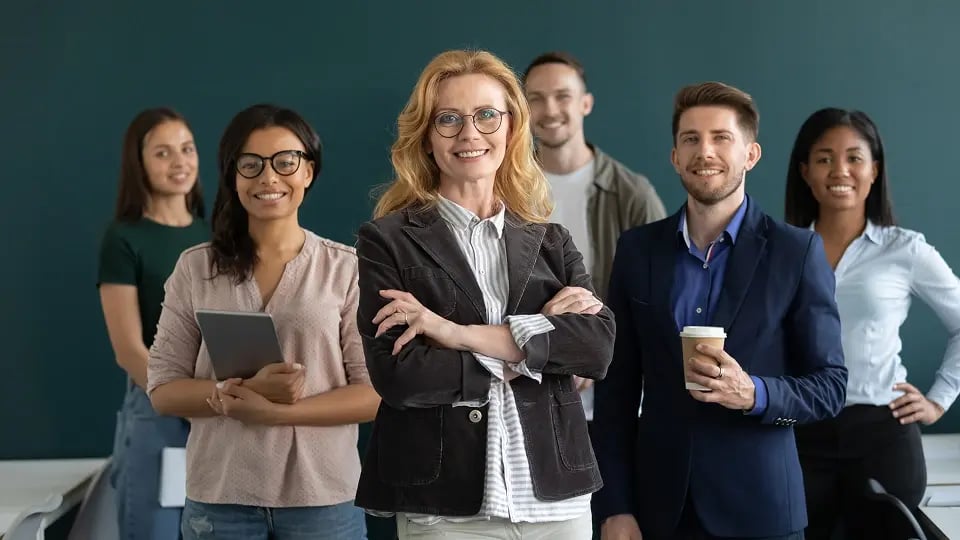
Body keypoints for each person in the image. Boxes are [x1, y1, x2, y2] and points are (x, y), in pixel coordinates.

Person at [353, 49, 616, 540]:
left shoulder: (551, 239)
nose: (469, 134)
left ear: (512, 128)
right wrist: (536, 348)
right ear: (426, 137)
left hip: (555, 501)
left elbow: (596, 348)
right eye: (448, 119)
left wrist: (453, 334)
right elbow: (401, 374)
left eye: (486, 115)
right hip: (445, 508)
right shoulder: (385, 240)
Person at [591, 82, 848, 540]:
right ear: (674, 156)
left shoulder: (797, 252)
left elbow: (830, 387)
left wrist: (755, 393)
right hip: (657, 513)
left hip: (762, 513)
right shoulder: (638, 250)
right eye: (690, 139)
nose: (703, 151)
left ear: (751, 154)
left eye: (720, 138)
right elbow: (616, 394)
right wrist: (614, 506)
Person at [146, 104, 379, 540]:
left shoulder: (346, 269)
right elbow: (162, 389)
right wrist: (234, 393)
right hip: (219, 500)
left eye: (286, 162)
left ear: (308, 171)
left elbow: (372, 394)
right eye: (250, 165)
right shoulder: (195, 269)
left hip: (322, 501)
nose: (269, 178)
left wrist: (273, 413)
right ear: (233, 176)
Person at [785, 108, 960, 540]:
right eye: (824, 158)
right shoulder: (781, 250)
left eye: (854, 158)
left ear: (875, 169)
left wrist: (939, 399)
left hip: (882, 433)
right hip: (801, 432)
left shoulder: (907, 250)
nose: (839, 170)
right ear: (805, 171)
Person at [522, 51, 666, 418]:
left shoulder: (632, 194)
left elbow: (658, 298)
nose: (549, 109)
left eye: (562, 96)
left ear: (586, 103)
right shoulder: (504, 192)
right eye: (535, 98)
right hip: (524, 396)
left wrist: (588, 350)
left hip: (614, 404)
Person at [97, 107, 208, 539]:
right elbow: (128, 349)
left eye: (186, 149)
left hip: (214, 411)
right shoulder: (124, 237)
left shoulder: (211, 234)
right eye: (163, 153)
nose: (179, 162)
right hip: (158, 405)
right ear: (138, 163)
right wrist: (183, 400)